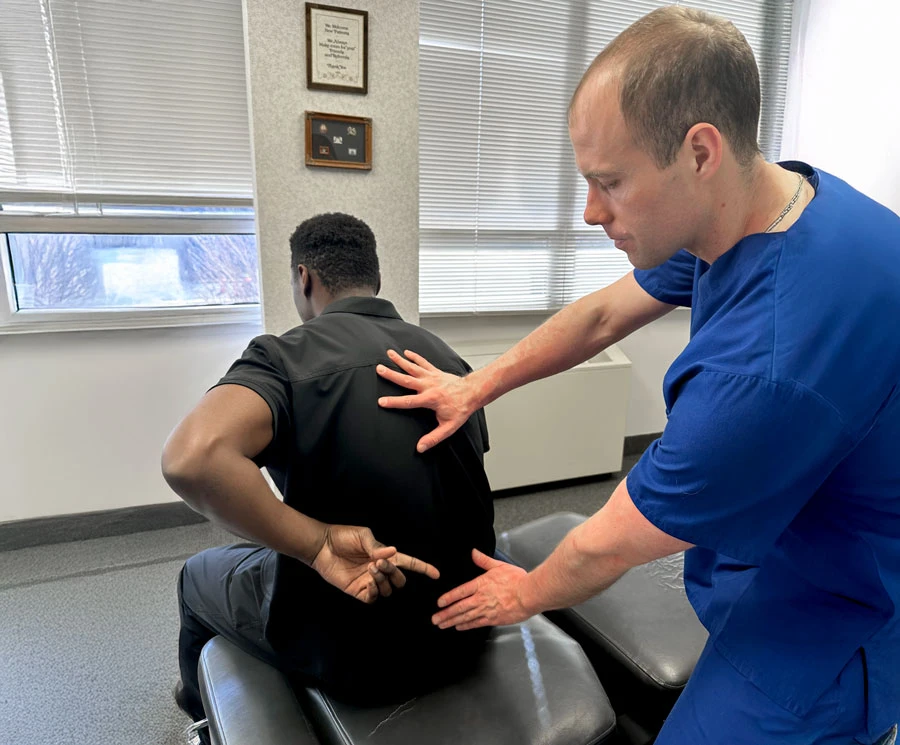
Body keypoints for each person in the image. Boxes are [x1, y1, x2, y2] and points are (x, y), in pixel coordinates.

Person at [376, 7, 900, 745]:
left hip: (839, 611)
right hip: (799, 517)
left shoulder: (765, 370)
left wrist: (523, 590)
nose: (590, 212)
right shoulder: (769, 203)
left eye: (610, 182)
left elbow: (608, 543)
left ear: (699, 151)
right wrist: (477, 384)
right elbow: (599, 317)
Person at [162, 212, 495, 735]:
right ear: (377, 278)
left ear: (304, 278)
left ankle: (198, 712)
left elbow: (193, 458)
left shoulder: (282, 355)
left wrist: (317, 544)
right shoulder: (447, 360)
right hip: (467, 629)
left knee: (196, 575)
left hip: (359, 660)